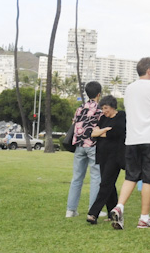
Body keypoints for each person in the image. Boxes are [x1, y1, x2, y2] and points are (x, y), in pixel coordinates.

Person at [109, 57, 150, 230]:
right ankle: (144, 218)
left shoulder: (129, 89)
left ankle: (119, 206)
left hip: (132, 140)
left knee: (131, 176)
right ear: (149, 70)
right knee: (149, 180)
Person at [87, 95, 127, 224]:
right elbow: (93, 134)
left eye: (106, 108)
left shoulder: (121, 116)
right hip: (102, 155)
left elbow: (116, 133)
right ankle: (112, 212)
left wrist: (102, 133)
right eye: (102, 108)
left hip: (115, 156)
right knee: (109, 184)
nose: (104, 111)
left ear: (113, 107)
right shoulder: (103, 119)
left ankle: (93, 213)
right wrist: (104, 130)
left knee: (105, 184)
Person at [66, 81, 103, 218]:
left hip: (79, 145)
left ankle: (71, 210)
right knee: (95, 178)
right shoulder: (99, 110)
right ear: (99, 94)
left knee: (77, 177)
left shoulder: (80, 109)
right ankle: (93, 209)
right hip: (93, 145)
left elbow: (74, 123)